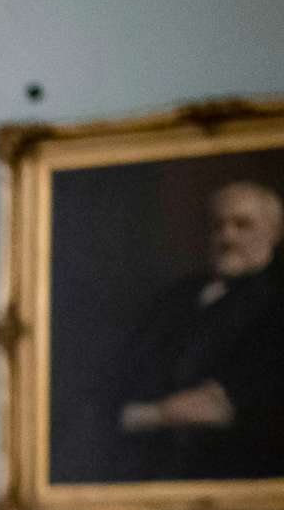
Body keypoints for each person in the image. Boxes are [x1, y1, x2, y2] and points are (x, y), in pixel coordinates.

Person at [107, 180, 284, 481]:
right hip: (150, 463)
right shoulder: (176, 297)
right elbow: (121, 378)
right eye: (218, 226)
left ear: (274, 232)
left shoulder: (277, 299)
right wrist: (155, 414)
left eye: (242, 225)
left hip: (240, 468)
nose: (227, 236)